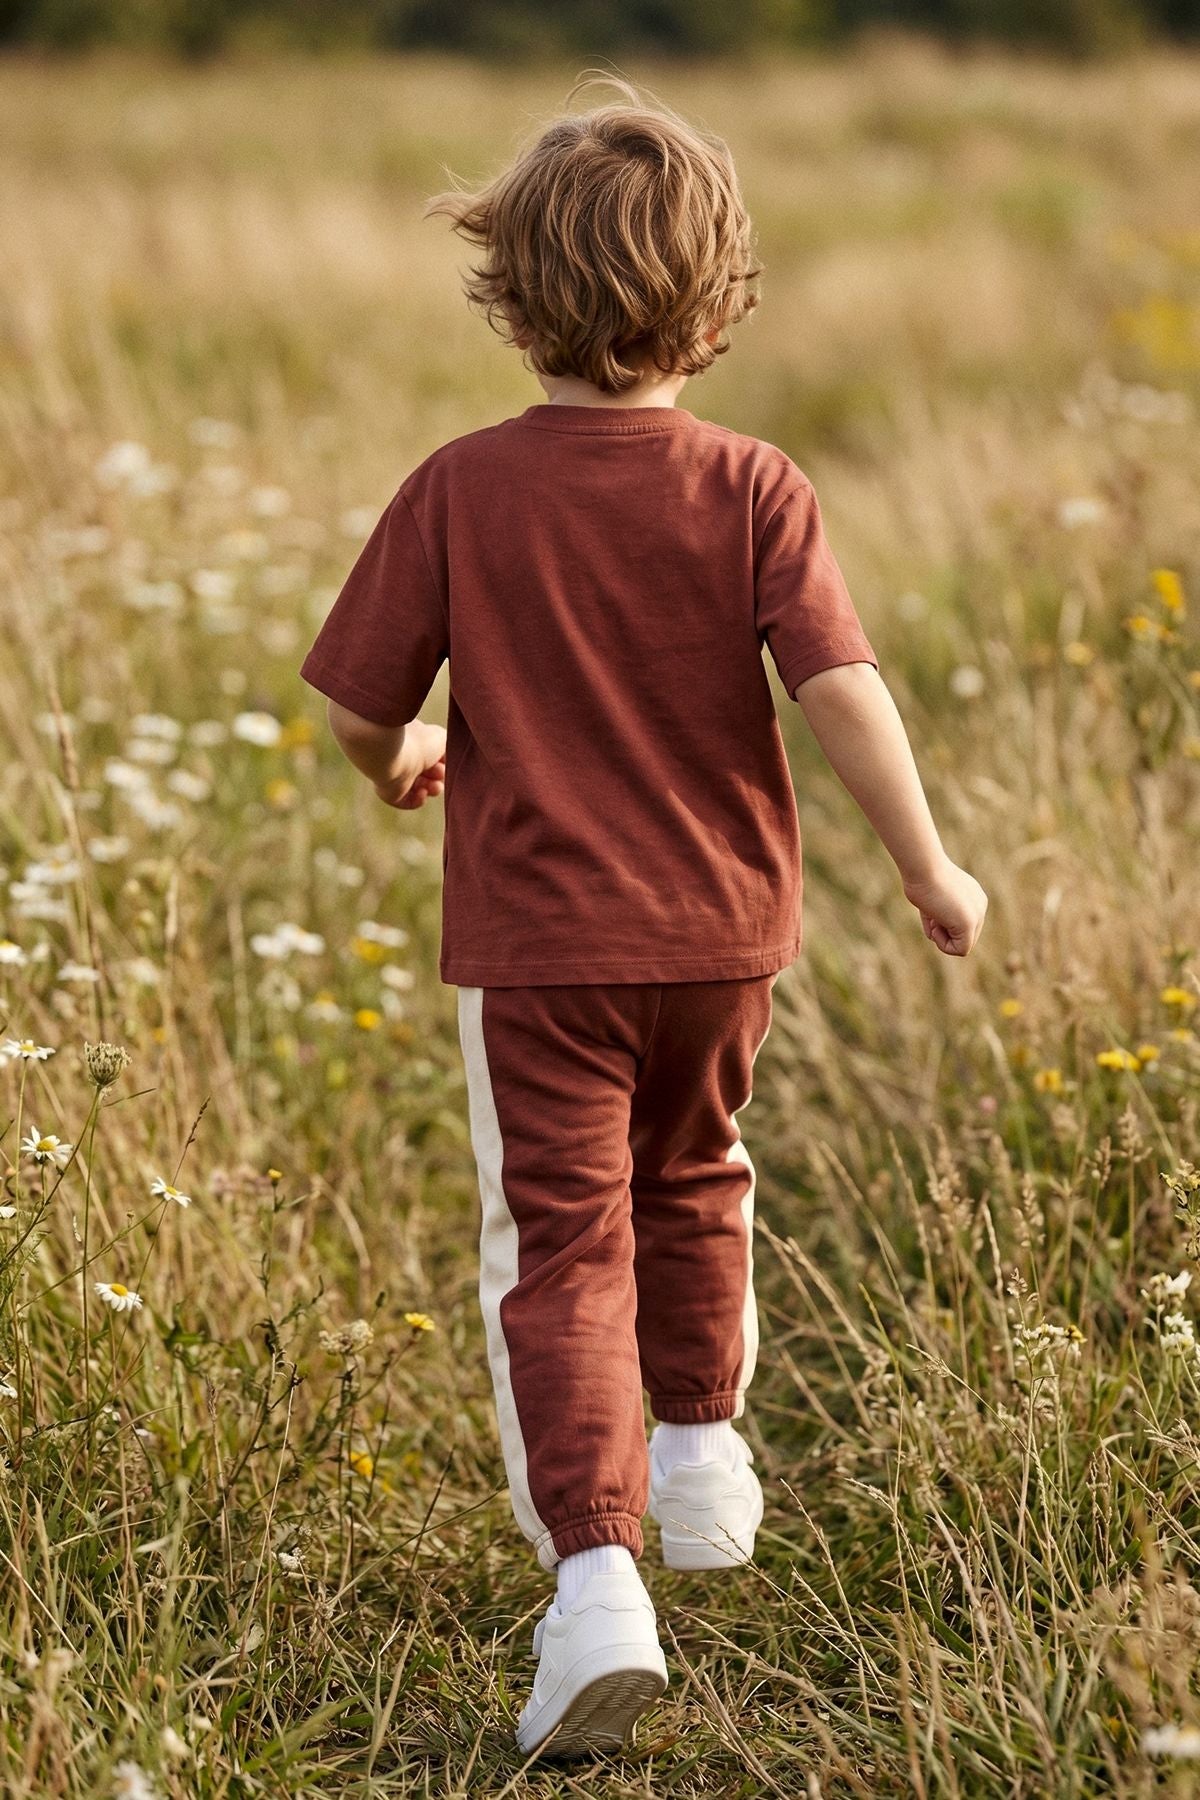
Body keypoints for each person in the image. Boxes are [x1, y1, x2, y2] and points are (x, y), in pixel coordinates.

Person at [299, 73, 987, 1761]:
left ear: (510, 291)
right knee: (700, 1177)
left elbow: (351, 704)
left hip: (543, 951)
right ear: (721, 294)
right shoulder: (756, 485)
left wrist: (408, 752)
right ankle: (702, 1453)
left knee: (559, 1245)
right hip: (722, 941)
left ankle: (599, 1579)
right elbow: (841, 685)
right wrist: (927, 864)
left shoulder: (461, 489)